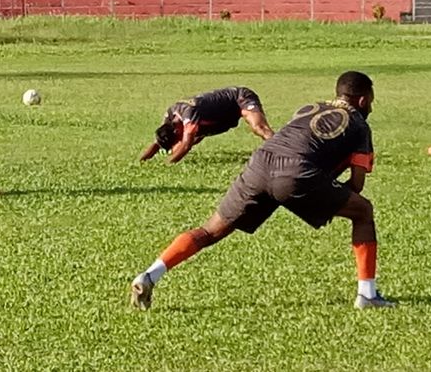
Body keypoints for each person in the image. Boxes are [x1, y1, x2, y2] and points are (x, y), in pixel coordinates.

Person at [131, 71, 395, 310]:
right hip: (295, 174)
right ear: (362, 101)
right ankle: (367, 295)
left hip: (259, 164)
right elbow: (357, 185)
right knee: (363, 212)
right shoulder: (359, 125)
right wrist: (327, 197)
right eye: (370, 101)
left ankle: (150, 275)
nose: (370, 106)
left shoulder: (309, 107)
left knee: (210, 231)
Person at [140, 86, 274, 163]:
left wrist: (168, 164)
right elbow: (157, 142)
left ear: (176, 131)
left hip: (240, 98)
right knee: (180, 148)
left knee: (259, 128)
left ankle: (284, 149)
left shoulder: (189, 114)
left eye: (177, 139)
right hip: (221, 117)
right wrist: (141, 161)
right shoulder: (169, 119)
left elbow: (186, 145)